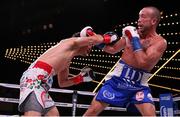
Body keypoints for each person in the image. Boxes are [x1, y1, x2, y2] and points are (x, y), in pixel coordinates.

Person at [83, 6, 167, 116]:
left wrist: (134, 38)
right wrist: (93, 40)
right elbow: (113, 49)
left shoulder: (160, 42)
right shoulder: (131, 34)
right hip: (117, 80)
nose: (139, 20)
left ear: (153, 21)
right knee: (92, 112)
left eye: (143, 17)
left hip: (139, 85)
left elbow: (143, 62)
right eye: (139, 17)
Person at [18, 27, 119, 116]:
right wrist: (108, 38)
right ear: (82, 40)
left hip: (42, 84)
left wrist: (80, 78)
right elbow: (92, 39)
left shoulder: (67, 61)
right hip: (35, 79)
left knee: (54, 114)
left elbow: (63, 83)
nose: (90, 47)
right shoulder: (69, 42)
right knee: (33, 114)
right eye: (89, 44)